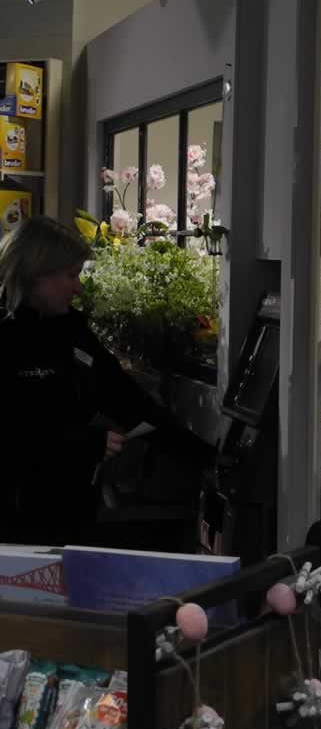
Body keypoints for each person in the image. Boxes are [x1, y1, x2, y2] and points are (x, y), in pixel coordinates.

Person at [0, 216, 213, 546]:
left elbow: (128, 401)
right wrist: (82, 445)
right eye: (70, 275)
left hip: (68, 518)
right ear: (35, 272)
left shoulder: (70, 330)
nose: (78, 287)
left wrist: (208, 459)